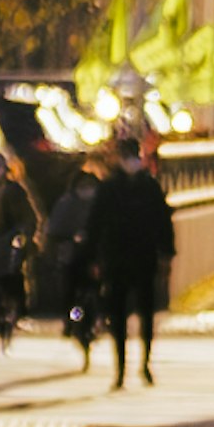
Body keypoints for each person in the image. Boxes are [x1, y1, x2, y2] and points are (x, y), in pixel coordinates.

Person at [81, 137, 176, 386]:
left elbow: (162, 222)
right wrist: (93, 257)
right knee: (121, 313)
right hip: (121, 257)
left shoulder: (144, 187)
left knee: (141, 312)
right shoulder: (116, 188)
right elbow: (96, 224)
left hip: (135, 256)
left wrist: (166, 253)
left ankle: (142, 364)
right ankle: (123, 368)